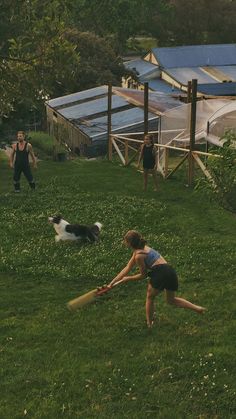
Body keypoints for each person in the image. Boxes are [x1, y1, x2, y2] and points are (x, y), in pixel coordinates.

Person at [109, 230, 206, 328]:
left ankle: (149, 324)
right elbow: (127, 268)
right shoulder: (144, 249)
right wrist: (111, 283)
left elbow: (143, 275)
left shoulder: (139, 256)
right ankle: (197, 308)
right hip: (170, 271)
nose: (124, 242)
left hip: (160, 273)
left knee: (150, 297)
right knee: (171, 300)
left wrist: (128, 278)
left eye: (125, 240)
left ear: (129, 243)